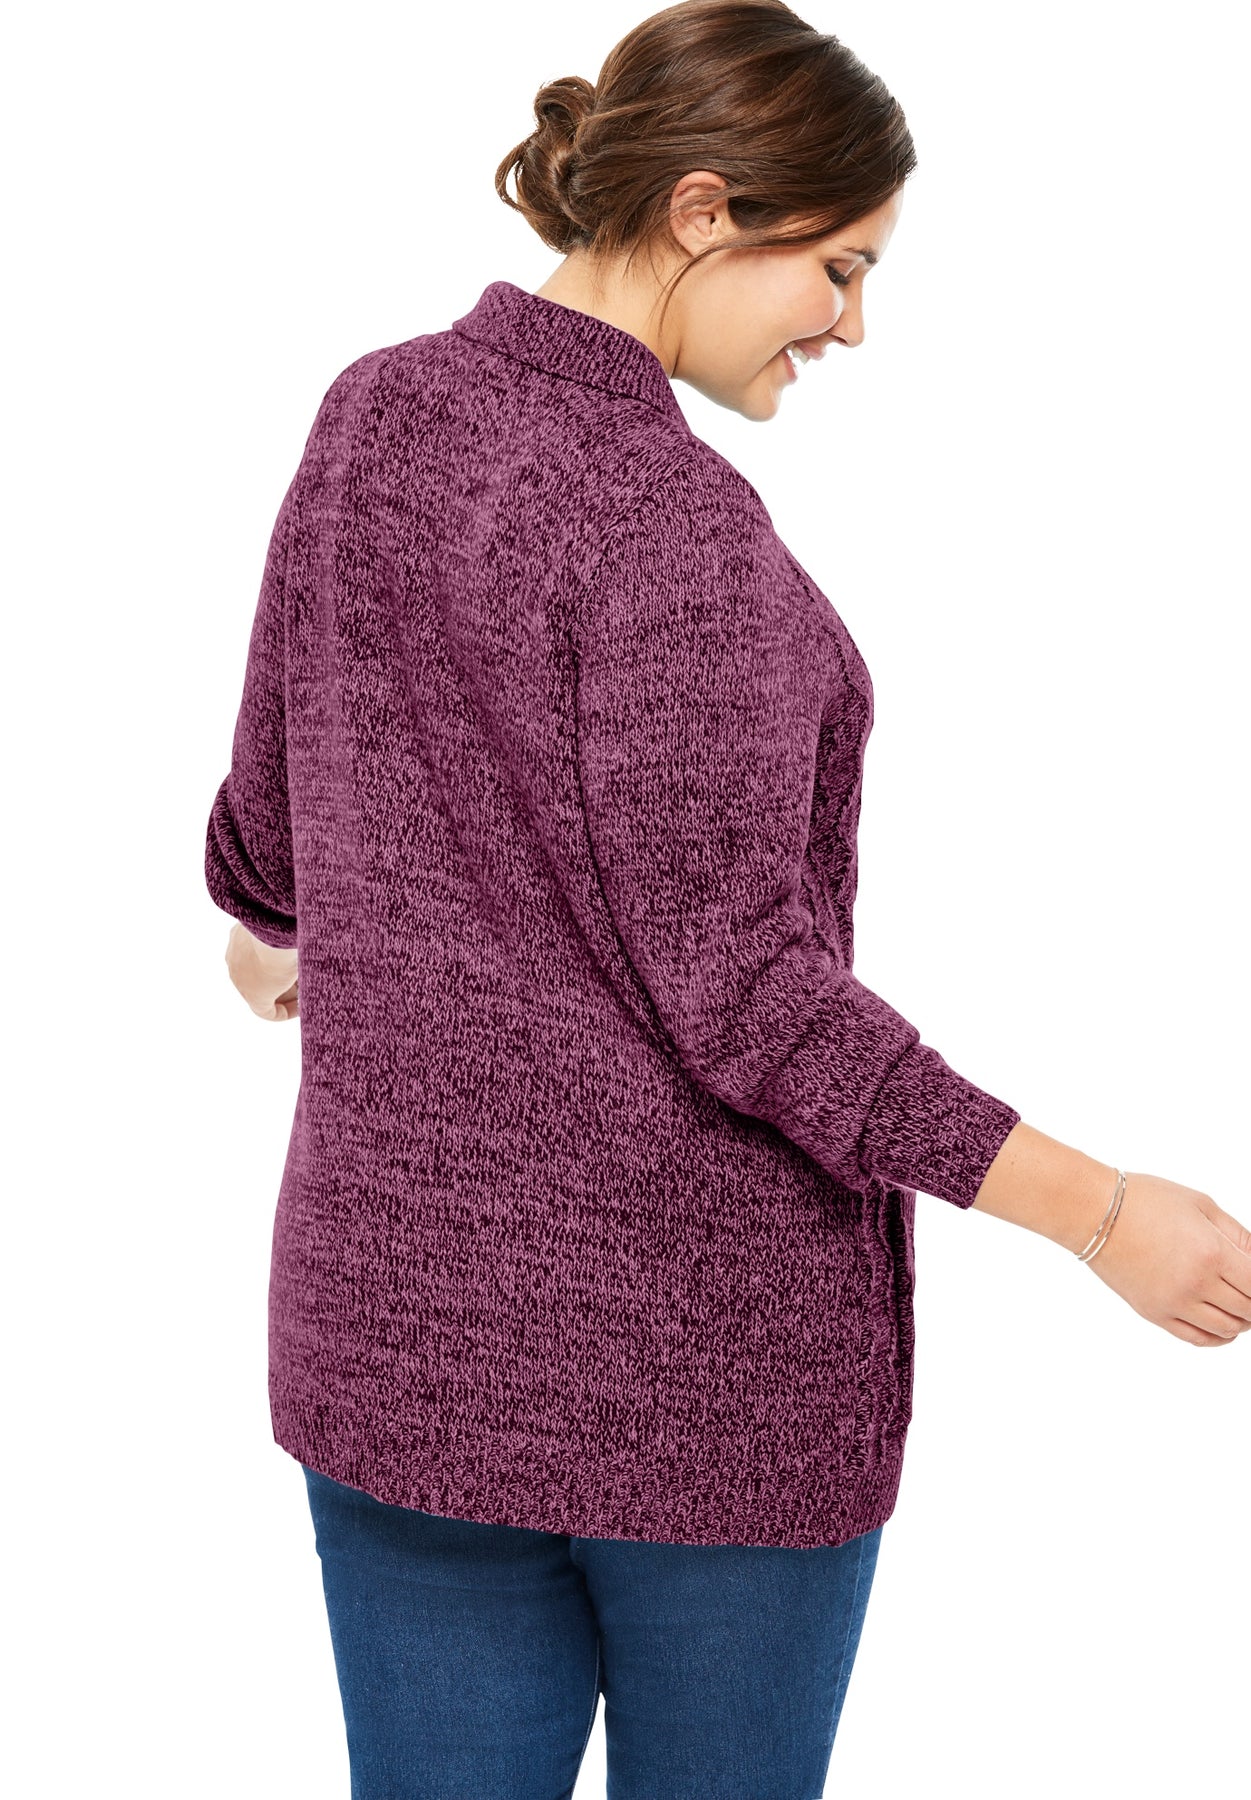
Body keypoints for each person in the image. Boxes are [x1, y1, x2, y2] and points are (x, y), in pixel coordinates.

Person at [205, 4, 1251, 1795]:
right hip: (701, 1388)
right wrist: (1100, 1215)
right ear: (702, 211)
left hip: (398, 1350)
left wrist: (288, 938)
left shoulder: (374, 413)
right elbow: (755, 1002)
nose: (852, 326)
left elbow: (268, 840)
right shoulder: (673, 530)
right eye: (839, 267)